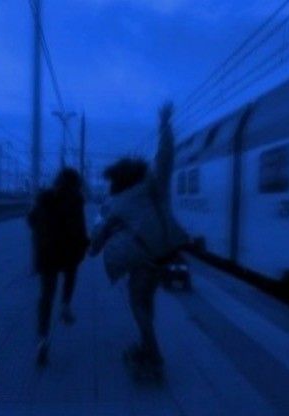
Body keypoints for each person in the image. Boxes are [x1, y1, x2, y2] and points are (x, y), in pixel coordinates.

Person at [89, 103, 188, 376]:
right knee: (147, 300)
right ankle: (146, 346)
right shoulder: (155, 186)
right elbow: (166, 156)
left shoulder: (116, 203)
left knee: (137, 302)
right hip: (165, 253)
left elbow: (98, 239)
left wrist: (93, 246)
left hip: (142, 259)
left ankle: (153, 353)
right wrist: (165, 125)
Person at [28, 168, 89, 366]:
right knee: (71, 273)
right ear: (76, 184)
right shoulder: (76, 201)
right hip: (67, 253)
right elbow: (80, 231)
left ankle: (42, 340)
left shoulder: (43, 198)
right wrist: (86, 246)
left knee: (46, 297)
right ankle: (65, 304)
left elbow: (31, 221)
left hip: (46, 255)